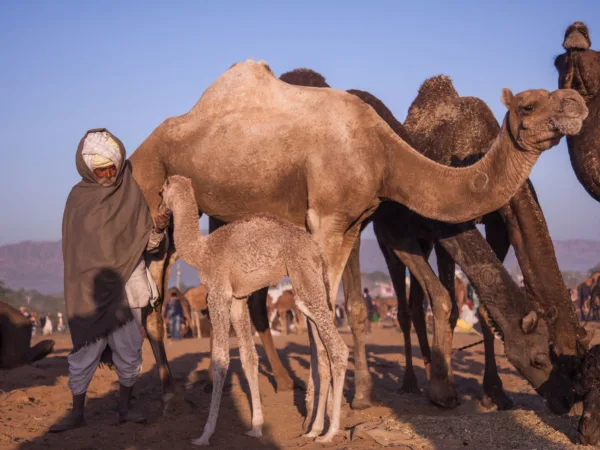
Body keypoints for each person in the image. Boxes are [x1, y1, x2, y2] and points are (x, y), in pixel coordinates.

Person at [50, 129, 170, 432]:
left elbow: (149, 245)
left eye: (111, 168)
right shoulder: (78, 200)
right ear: (88, 169)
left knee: (129, 352)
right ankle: (77, 413)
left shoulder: (131, 195)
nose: (107, 174)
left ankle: (124, 409)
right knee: (83, 355)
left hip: (127, 289)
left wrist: (157, 229)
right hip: (89, 293)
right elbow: (75, 251)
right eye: (100, 170)